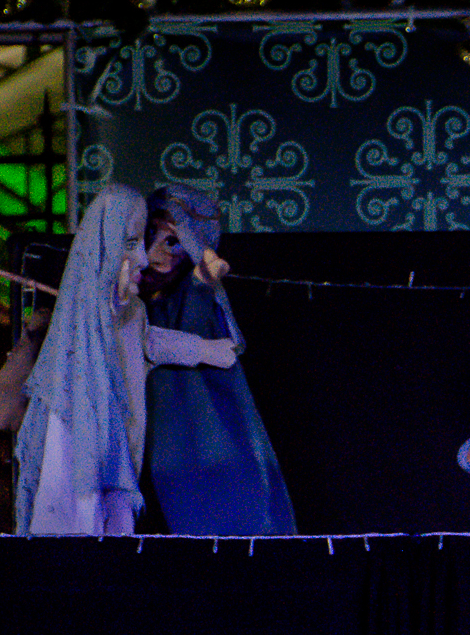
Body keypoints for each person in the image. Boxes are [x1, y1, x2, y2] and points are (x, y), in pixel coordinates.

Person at [15, 184, 239, 535]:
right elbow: (100, 322)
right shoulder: (87, 311)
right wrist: (115, 301)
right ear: (105, 244)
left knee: (117, 524)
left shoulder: (134, 310)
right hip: (86, 454)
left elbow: (147, 340)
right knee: (78, 523)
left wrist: (203, 350)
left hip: (119, 452)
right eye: (132, 243)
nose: (145, 259)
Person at [136, 184, 297, 535]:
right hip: (163, 457)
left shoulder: (186, 304)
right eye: (149, 235)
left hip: (207, 453)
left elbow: (191, 315)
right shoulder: (135, 308)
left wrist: (203, 278)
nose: (155, 253)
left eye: (173, 241)